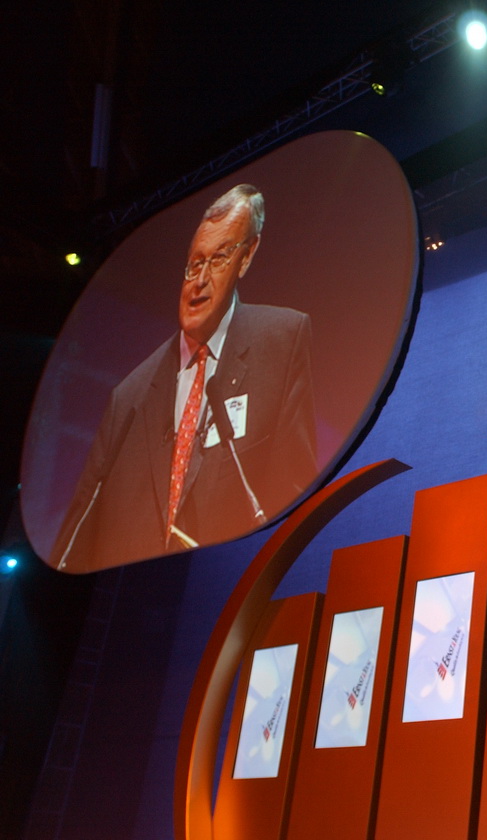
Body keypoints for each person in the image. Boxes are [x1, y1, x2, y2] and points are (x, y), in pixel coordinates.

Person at [50, 184, 317, 572]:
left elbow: (295, 495)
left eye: (219, 259)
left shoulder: (281, 341)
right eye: (194, 264)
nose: (200, 280)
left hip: (227, 583)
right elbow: (79, 534)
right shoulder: (129, 396)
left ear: (246, 257)